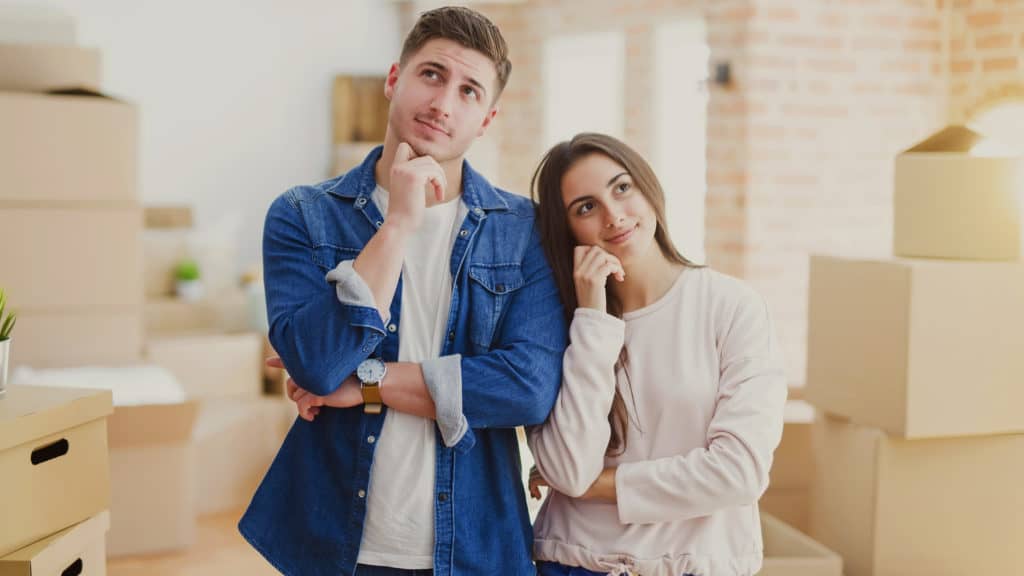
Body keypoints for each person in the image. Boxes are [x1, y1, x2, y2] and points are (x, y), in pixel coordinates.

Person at [238, 7, 567, 576]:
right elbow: (317, 366)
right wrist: (396, 227)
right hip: (334, 545)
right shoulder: (303, 215)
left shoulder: (524, 231)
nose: (443, 103)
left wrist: (369, 383)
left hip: (473, 547)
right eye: (432, 75)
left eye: (468, 91)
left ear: (486, 119)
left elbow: (527, 388)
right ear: (395, 79)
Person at [525, 133, 787, 576]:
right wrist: (592, 317)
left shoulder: (731, 306)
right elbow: (569, 469)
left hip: (690, 565)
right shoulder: (560, 321)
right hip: (573, 561)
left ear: (648, 188)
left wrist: (597, 486)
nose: (614, 216)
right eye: (586, 207)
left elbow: (740, 471)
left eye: (621, 188)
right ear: (567, 229)